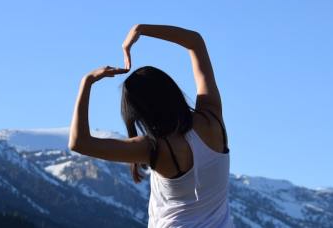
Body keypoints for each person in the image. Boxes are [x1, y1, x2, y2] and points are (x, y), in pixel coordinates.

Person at [68, 24, 234, 227]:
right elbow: (195, 43)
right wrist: (142, 30)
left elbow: (79, 143)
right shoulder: (212, 118)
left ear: (139, 113)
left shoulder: (154, 148)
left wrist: (87, 82)